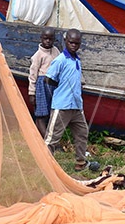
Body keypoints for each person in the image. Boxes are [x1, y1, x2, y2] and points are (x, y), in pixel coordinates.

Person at [44, 29, 89, 171]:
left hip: (76, 105)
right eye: (71, 42)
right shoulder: (60, 60)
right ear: (65, 41)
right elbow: (48, 79)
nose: (74, 46)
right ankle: (44, 164)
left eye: (77, 43)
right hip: (62, 105)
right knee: (52, 138)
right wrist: (61, 89)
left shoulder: (77, 60)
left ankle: (80, 162)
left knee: (82, 133)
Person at [28, 27, 60, 138]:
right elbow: (33, 75)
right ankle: (46, 139)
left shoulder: (55, 51)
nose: (48, 41)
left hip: (53, 85)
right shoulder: (38, 55)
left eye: (50, 39)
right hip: (42, 84)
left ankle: (43, 135)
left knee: (50, 112)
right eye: (45, 39)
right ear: (41, 38)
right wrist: (32, 93)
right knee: (41, 113)